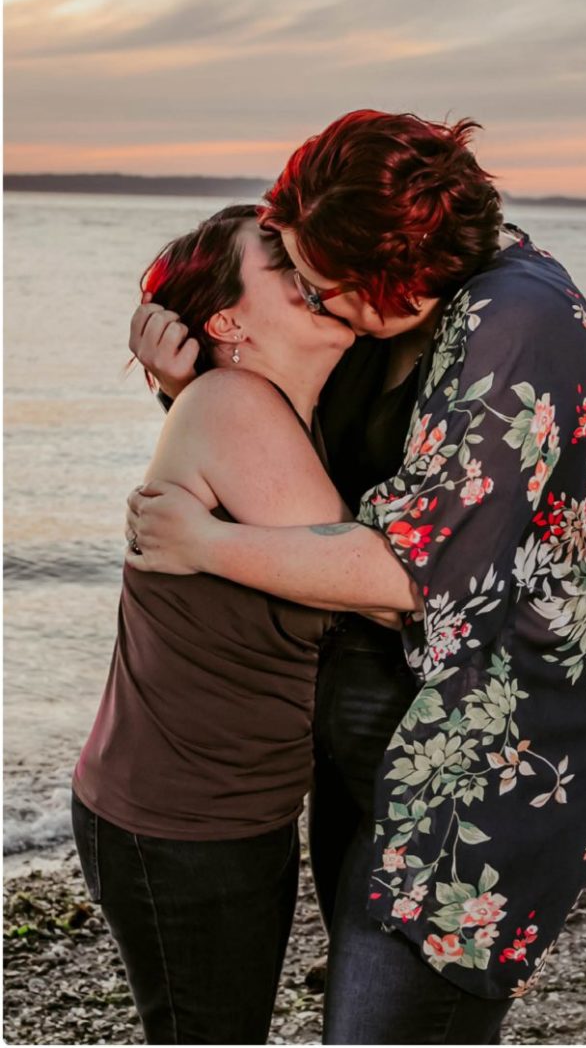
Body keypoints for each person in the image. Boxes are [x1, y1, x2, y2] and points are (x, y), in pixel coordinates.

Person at [126, 111, 586, 1045]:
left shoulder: (514, 324)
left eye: (316, 285)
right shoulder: (393, 303)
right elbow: (307, 479)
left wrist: (199, 544)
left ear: (393, 289)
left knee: (392, 1022)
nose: (307, 297)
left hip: (490, 749)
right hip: (388, 715)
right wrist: (195, 387)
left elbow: (410, 575)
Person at [72, 204, 416, 1045]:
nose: (311, 271)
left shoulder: (248, 407)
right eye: (281, 263)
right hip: (179, 820)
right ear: (227, 319)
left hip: (224, 810)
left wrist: (178, 399)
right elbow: (389, 587)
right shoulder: (236, 406)